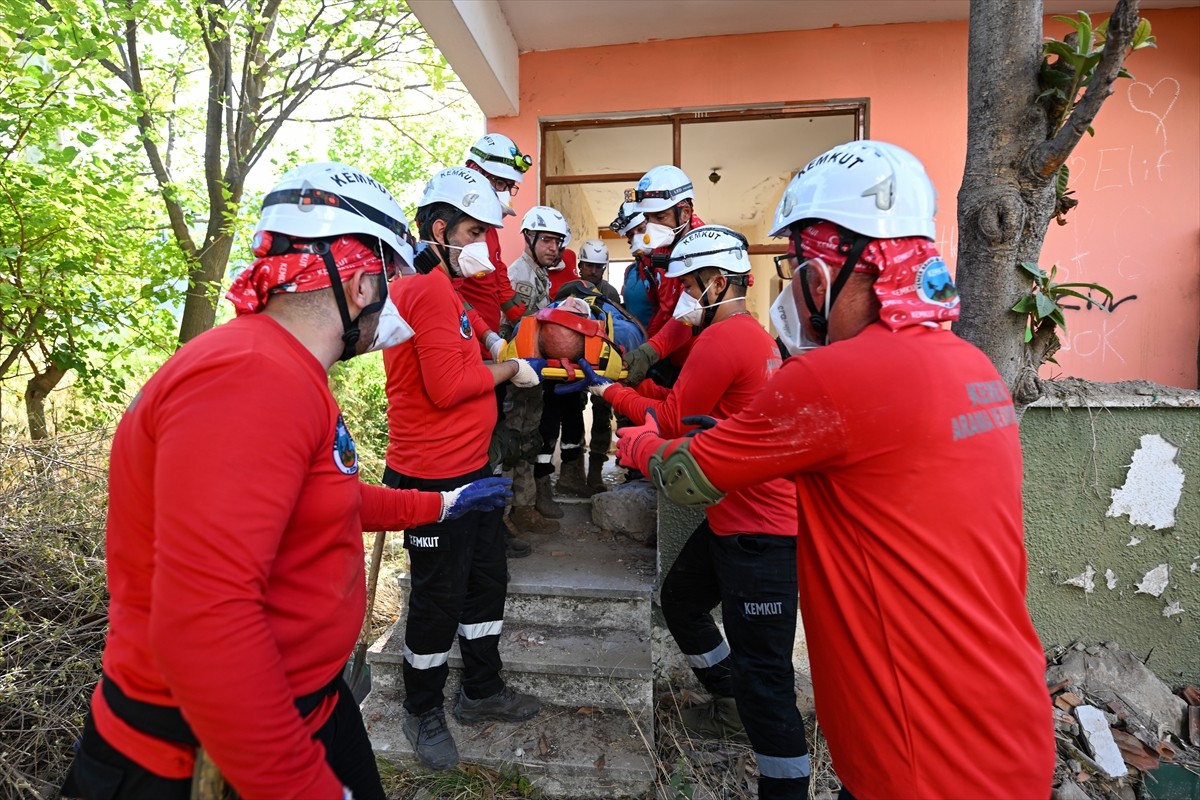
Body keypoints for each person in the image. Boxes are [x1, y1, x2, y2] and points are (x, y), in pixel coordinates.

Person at [59, 162, 514, 800]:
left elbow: (326, 499)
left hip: (310, 706)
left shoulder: (285, 371)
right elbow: (206, 619)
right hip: (199, 753)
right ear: (361, 284)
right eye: (389, 281)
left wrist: (438, 505)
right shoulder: (252, 377)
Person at [616, 141, 1055, 799]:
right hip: (1010, 735)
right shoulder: (973, 368)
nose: (792, 289)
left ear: (824, 276)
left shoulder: (830, 377)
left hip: (917, 764)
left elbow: (684, 474)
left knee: (758, 667)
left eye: (796, 268)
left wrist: (635, 445)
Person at [567, 226, 808, 799]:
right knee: (680, 599)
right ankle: (727, 702)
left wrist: (611, 396)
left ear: (717, 282)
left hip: (764, 532)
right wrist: (629, 390)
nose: (680, 300)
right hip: (736, 517)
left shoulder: (725, 341)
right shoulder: (748, 337)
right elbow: (684, 408)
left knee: (767, 677)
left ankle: (787, 781)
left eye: (688, 287)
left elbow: (673, 422)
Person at [381, 167, 545, 772]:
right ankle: (421, 708)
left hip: (470, 470)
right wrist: (509, 370)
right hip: (433, 478)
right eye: (475, 230)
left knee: (485, 582)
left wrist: (494, 341)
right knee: (437, 597)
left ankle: (481, 689)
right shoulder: (422, 288)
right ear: (441, 229)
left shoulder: (441, 290)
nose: (483, 242)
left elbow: (463, 326)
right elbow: (448, 387)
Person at [461, 133, 535, 558]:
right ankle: (484, 524)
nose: (507, 194)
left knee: (488, 428)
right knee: (477, 435)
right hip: (465, 341)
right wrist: (483, 334)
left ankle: (490, 521)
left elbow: (496, 276)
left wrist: (516, 312)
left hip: (486, 338)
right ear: (482, 174)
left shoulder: (483, 225)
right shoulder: (459, 220)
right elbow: (451, 292)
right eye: (504, 185)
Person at [503, 205, 572, 531]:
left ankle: (524, 507)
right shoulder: (521, 277)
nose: (553, 248)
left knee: (528, 440)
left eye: (557, 242)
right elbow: (513, 332)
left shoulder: (539, 275)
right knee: (513, 443)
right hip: (516, 378)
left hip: (533, 377)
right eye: (546, 241)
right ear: (528, 238)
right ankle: (506, 515)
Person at [620, 165, 707, 386]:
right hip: (673, 357)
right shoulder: (663, 249)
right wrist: (646, 343)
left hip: (700, 363)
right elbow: (665, 309)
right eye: (649, 218)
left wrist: (649, 352)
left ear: (685, 212)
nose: (653, 227)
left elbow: (688, 319)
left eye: (660, 217)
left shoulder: (706, 251)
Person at [555, 240, 623, 492]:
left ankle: (595, 473)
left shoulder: (610, 293)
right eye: (589, 266)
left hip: (602, 363)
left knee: (603, 415)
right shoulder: (568, 290)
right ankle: (571, 475)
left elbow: (616, 327)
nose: (593, 271)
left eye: (598, 266)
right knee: (571, 414)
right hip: (572, 363)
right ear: (580, 265)